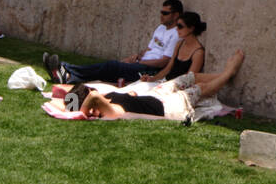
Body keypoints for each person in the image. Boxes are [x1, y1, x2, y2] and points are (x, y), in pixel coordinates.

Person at [73, 50, 245, 121]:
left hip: (155, 96)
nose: (94, 91)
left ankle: (223, 75)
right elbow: (94, 98)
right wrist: (83, 113)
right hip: (168, 107)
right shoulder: (109, 111)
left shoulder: (107, 99)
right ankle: (229, 72)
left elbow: (95, 96)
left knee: (188, 78)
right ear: (92, 108)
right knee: (199, 89)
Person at [46, 7, 203, 85]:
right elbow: (159, 58)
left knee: (111, 67)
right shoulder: (172, 38)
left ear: (191, 29)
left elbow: (178, 72)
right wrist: (135, 58)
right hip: (147, 69)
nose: (178, 29)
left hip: (152, 71)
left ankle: (66, 70)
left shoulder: (194, 50)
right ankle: (68, 75)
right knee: (111, 70)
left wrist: (152, 76)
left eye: (181, 26)